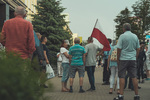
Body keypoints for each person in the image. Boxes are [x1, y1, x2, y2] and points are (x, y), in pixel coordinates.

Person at [114, 23, 140, 100]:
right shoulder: (135, 36)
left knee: (122, 76)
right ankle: (136, 95)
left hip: (123, 59)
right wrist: (135, 57)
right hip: (132, 59)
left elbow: (119, 48)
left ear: (124, 28)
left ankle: (121, 95)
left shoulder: (122, 36)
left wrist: (118, 58)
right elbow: (138, 48)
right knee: (134, 77)